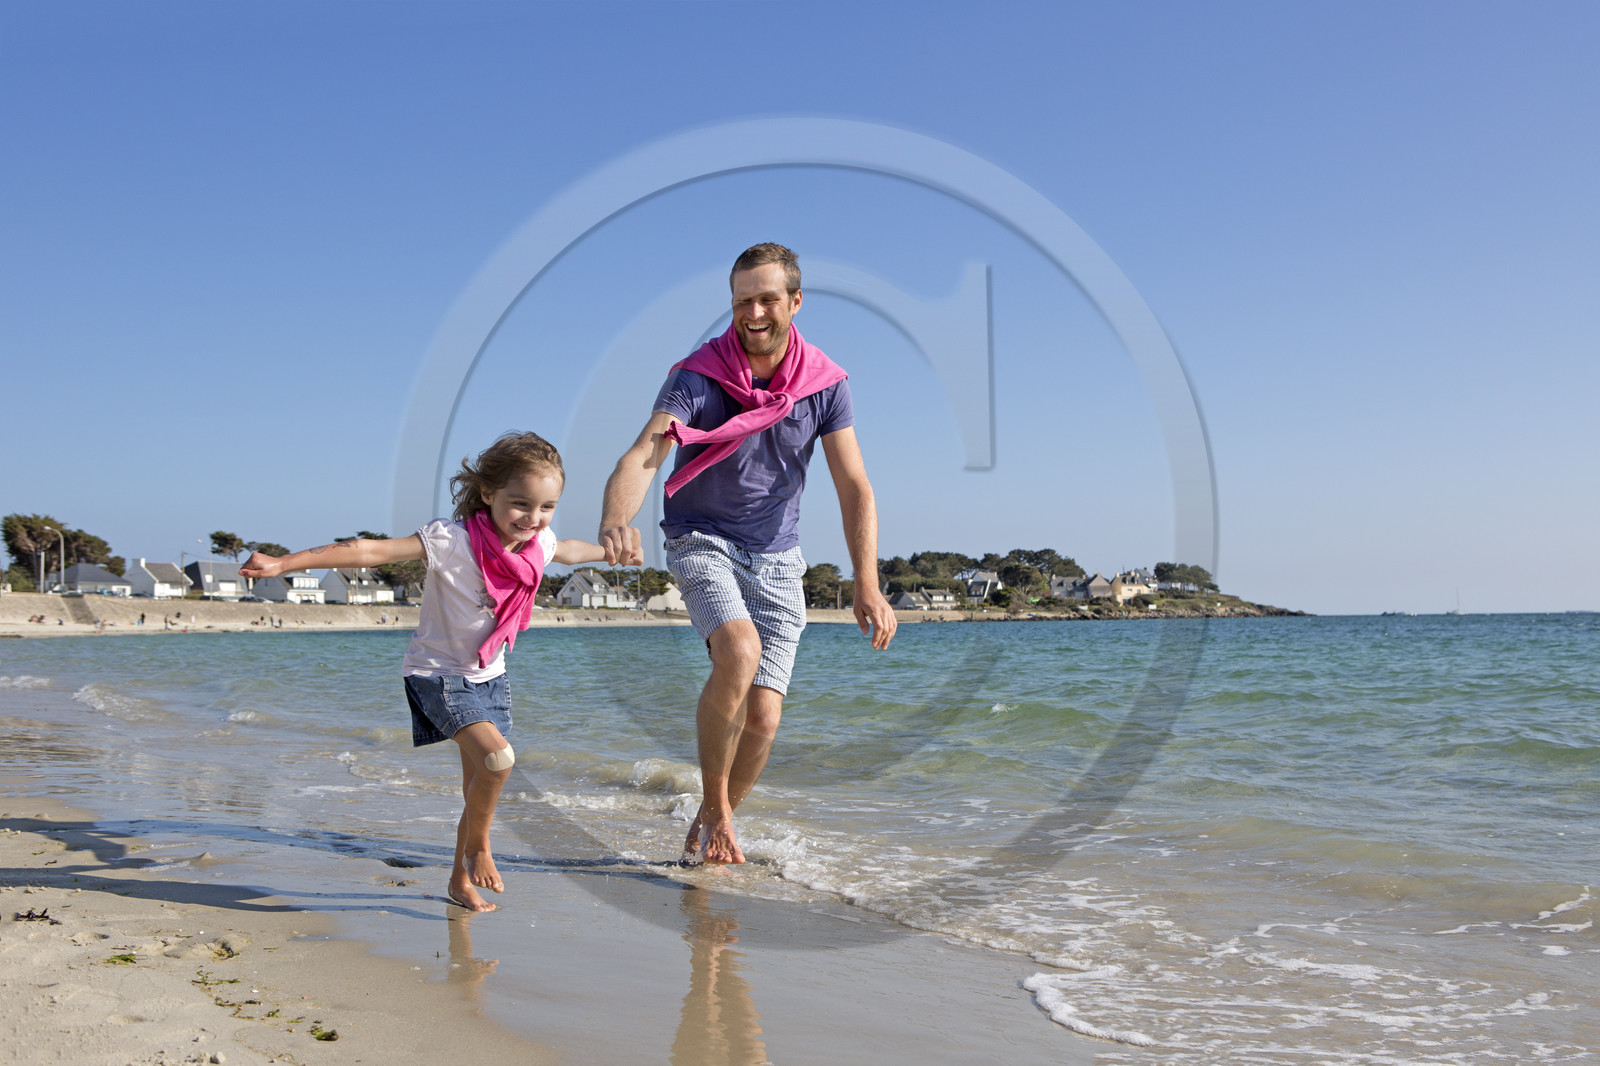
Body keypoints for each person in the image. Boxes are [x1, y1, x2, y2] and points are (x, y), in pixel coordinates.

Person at [600, 242, 897, 866]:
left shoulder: (826, 384)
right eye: (741, 301)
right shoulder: (699, 374)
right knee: (738, 651)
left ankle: (710, 823)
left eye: (767, 299)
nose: (753, 313)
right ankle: (715, 810)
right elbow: (645, 453)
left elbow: (854, 484)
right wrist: (615, 519)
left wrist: (866, 582)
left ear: (794, 301)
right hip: (700, 536)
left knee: (763, 719)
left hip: (779, 554)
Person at [241, 431, 622, 911]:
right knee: (498, 761)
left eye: (546, 506)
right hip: (437, 675)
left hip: (490, 677)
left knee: (478, 787)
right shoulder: (452, 539)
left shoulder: (538, 545)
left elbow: (567, 549)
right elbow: (368, 551)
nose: (533, 518)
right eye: (520, 503)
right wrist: (283, 563)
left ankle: (458, 880)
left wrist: (612, 552)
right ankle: (481, 848)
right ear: (488, 495)